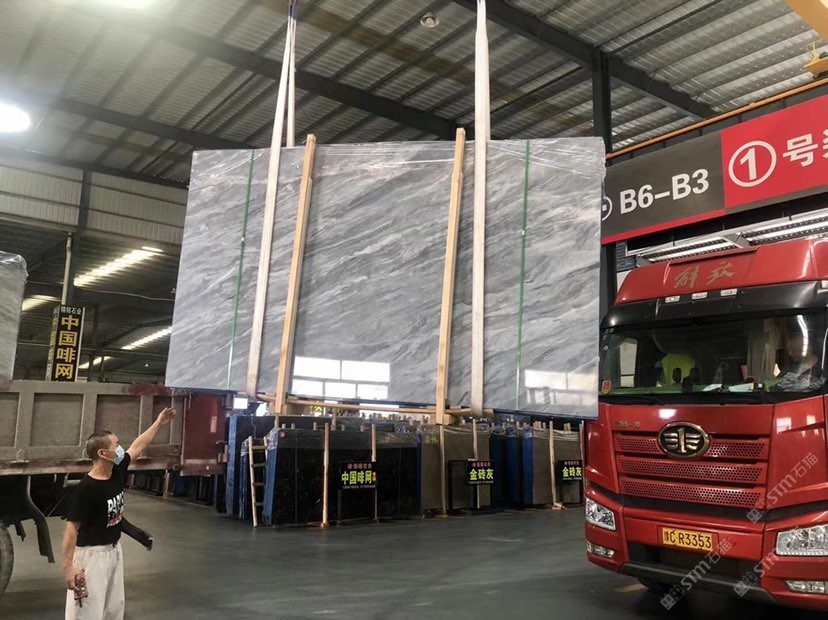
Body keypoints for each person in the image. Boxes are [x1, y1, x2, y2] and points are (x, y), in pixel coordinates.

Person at [63, 406, 176, 620]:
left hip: (114, 552)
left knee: (113, 610)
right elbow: (71, 529)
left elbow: (138, 445)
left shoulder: (116, 471)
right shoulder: (87, 489)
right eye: (116, 445)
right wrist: (69, 568)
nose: (121, 448)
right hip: (91, 558)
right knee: (87, 612)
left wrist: (159, 423)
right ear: (103, 453)